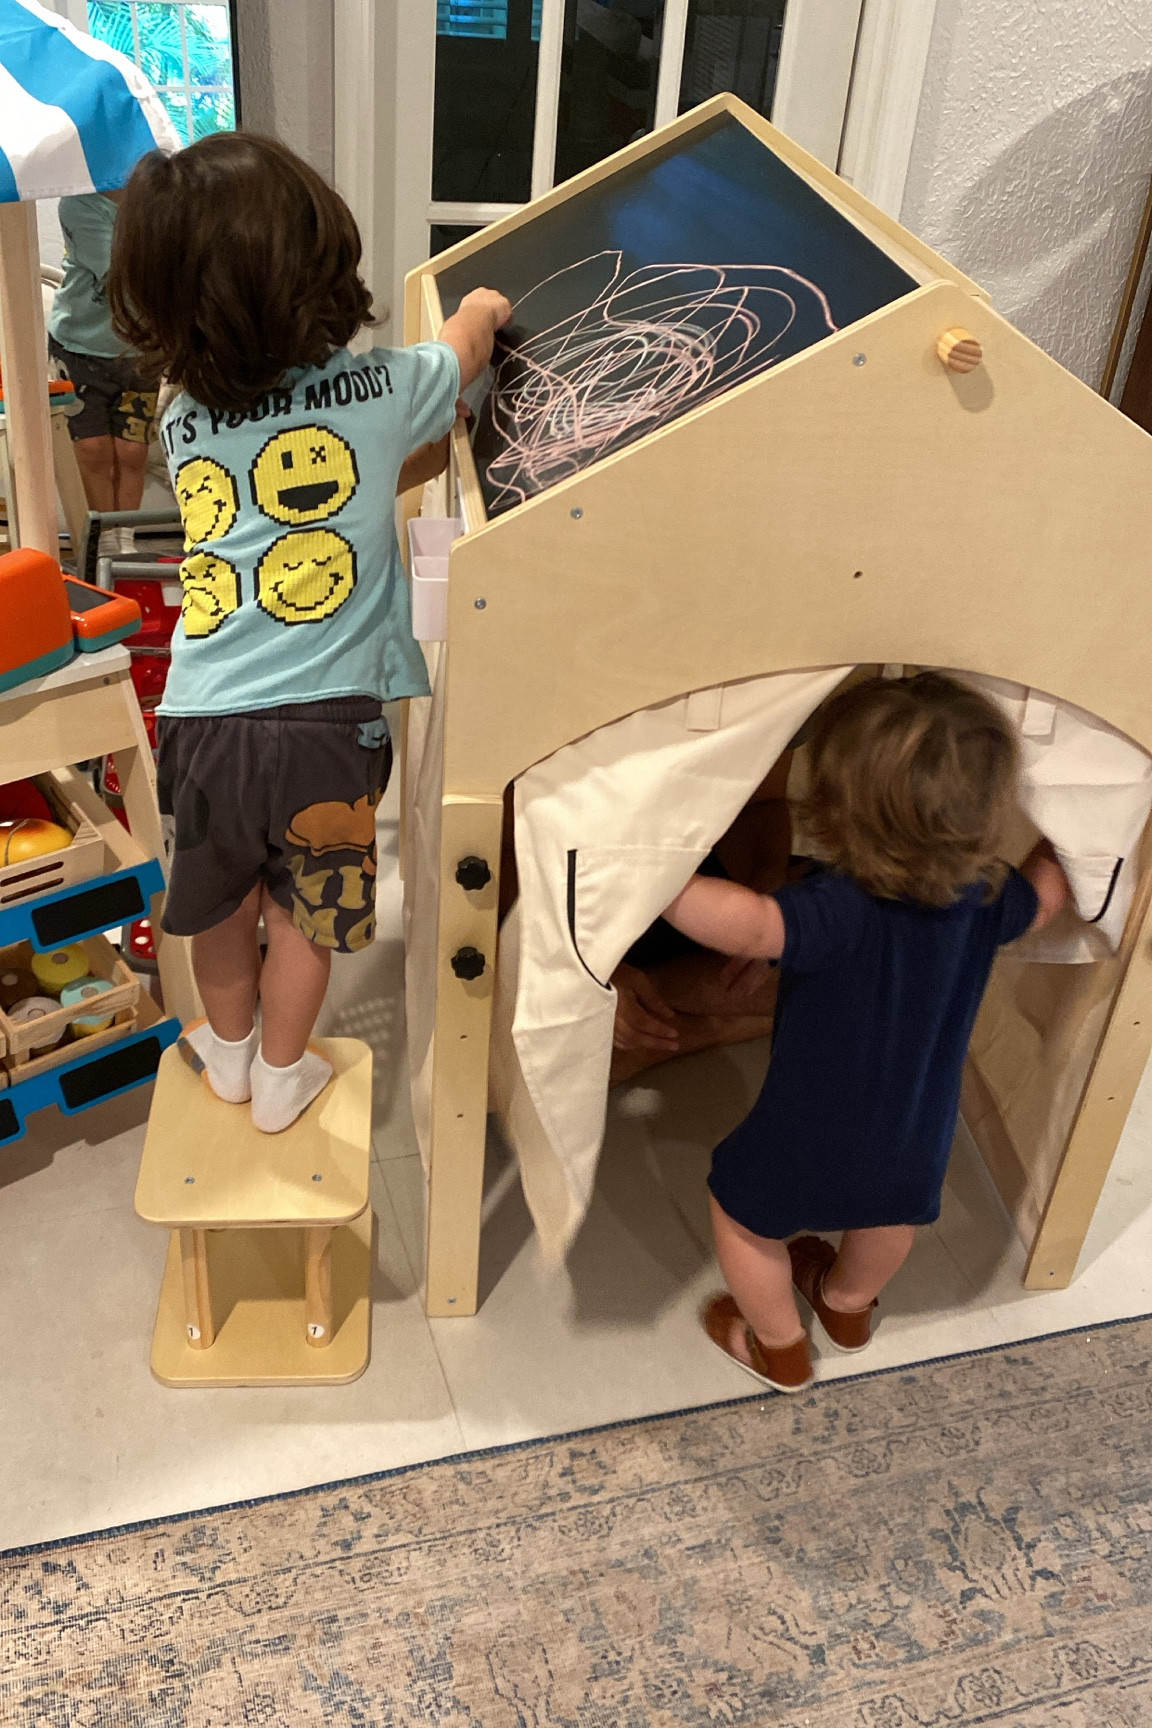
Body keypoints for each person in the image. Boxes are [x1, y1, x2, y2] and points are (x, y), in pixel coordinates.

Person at [108, 131, 511, 1132]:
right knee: (305, 909)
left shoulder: (178, 410)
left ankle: (232, 1056)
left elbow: (297, 480)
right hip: (332, 726)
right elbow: (461, 353)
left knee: (222, 906)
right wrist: (484, 308)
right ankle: (286, 1074)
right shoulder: (381, 389)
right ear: (315, 272)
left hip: (200, 720)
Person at [660, 672, 1070, 1393]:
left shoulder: (835, 907)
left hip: (805, 1132)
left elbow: (747, 921)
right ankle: (848, 1308)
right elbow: (1047, 897)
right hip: (916, 1135)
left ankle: (778, 1344)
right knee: (890, 1219)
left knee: (743, 1217)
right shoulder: (984, 898)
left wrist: (653, 877)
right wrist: (1072, 837)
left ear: (834, 805)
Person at [48, 190, 158, 556]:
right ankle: (103, 544)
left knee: (132, 451)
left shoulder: (158, 194)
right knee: (94, 449)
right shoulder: (78, 204)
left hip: (141, 350)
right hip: (78, 347)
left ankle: (123, 545)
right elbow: (120, 269)